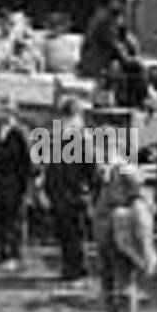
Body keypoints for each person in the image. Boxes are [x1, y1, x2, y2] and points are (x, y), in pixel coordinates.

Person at [92, 159, 157, 312]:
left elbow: (140, 202)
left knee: (124, 289)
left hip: (120, 242)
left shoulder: (126, 176)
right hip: (104, 240)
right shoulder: (104, 180)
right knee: (108, 285)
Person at [43, 97, 98, 284]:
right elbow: (51, 166)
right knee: (64, 233)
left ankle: (79, 272)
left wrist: (88, 192)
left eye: (69, 116)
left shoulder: (83, 139)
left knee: (76, 234)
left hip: (74, 194)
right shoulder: (59, 136)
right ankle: (69, 269)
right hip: (60, 192)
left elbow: (91, 169)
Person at [0, 96, 33, 269]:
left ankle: (15, 256)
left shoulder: (20, 132)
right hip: (0, 179)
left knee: (15, 219)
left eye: (5, 110)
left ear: (13, 112)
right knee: (0, 216)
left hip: (16, 181)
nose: (2, 114)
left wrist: (27, 184)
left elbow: (30, 160)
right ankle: (2, 251)